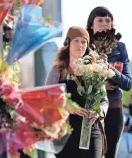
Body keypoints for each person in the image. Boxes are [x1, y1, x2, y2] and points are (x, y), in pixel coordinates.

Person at [46, 26, 109, 158]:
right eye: (76, 41)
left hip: (91, 130)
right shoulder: (58, 71)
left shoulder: (95, 68)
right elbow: (48, 97)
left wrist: (99, 111)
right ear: (68, 43)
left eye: (83, 42)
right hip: (66, 132)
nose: (80, 45)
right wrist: (65, 105)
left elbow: (104, 100)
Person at [86, 6, 132, 158]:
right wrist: (99, 85)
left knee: (109, 154)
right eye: (100, 20)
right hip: (88, 111)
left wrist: (111, 71)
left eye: (108, 20)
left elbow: (128, 83)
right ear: (91, 25)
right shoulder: (81, 46)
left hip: (113, 110)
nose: (105, 23)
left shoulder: (120, 48)